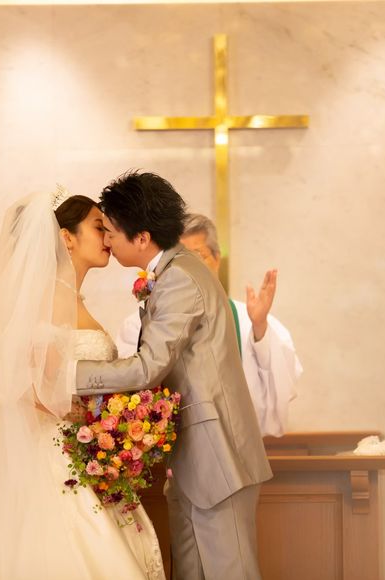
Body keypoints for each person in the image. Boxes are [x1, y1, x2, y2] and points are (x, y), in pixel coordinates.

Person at [75, 171, 272, 580]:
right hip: (195, 460)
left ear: (142, 237)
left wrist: (68, 373)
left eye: (111, 230)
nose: (107, 239)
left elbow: (148, 368)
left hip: (217, 459)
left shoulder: (180, 277)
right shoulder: (173, 271)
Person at [0, 189, 164, 579]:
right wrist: (92, 420)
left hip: (87, 448)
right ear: (67, 238)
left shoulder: (72, 298)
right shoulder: (48, 299)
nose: (108, 236)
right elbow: (27, 386)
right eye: (98, 227)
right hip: (62, 452)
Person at [117, 213, 303, 437]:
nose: (187, 269)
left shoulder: (250, 320)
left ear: (217, 259)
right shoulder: (139, 325)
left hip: (238, 444)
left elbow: (280, 387)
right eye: (177, 259)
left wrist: (260, 329)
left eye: (197, 256)